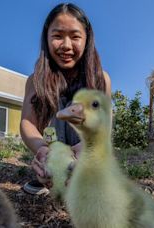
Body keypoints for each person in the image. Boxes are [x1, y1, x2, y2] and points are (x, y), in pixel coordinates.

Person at [20, 3, 111, 194]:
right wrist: (42, 149)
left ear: (87, 39)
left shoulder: (101, 79)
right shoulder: (35, 80)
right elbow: (28, 122)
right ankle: (48, 169)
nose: (66, 46)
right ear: (46, 38)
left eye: (75, 36)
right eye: (57, 36)